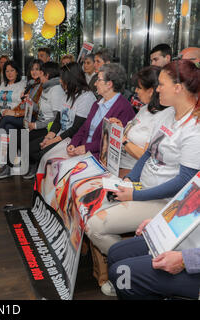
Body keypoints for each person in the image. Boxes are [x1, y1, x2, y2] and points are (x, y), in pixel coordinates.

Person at [86, 59, 200, 295]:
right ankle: (130, 267)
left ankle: (136, 270)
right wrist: (129, 182)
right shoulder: (167, 114)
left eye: (161, 84)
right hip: (142, 187)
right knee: (92, 204)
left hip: (163, 200)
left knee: (95, 227)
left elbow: (184, 185)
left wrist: (136, 194)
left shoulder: (194, 129)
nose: (157, 90)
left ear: (178, 88)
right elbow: (148, 153)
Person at [107, 218, 200, 299]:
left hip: (194, 257)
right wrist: (163, 222)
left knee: (122, 273)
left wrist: (186, 259)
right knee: (115, 253)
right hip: (191, 237)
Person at [68, 63, 136, 160]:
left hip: (101, 158)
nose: (95, 84)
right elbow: (84, 128)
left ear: (109, 84)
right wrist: (73, 143)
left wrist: (86, 148)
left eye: (99, 80)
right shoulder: (97, 104)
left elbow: (112, 141)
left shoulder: (124, 108)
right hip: (82, 152)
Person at [109, 66, 166, 178]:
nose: (135, 91)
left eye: (139, 88)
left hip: (132, 171)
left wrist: (123, 140)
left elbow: (146, 155)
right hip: (118, 165)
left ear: (150, 91)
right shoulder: (146, 108)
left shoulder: (160, 117)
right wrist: (121, 129)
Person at [35, 62, 97, 165]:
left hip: (72, 140)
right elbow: (58, 120)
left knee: (41, 154)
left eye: (62, 78)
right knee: (32, 148)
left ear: (71, 79)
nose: (60, 81)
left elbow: (75, 129)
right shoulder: (67, 94)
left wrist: (52, 141)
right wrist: (49, 137)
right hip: (60, 136)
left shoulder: (86, 98)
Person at [24, 62, 65, 180]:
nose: (38, 75)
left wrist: (36, 125)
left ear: (47, 75)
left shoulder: (56, 90)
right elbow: (41, 109)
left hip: (48, 128)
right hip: (41, 123)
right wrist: (30, 102)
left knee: (30, 147)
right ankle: (33, 166)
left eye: (40, 73)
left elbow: (56, 118)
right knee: (22, 138)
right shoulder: (46, 87)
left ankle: (38, 167)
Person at [0, 60, 26, 179]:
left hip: (16, 117)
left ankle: (5, 165)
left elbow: (24, 106)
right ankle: (6, 164)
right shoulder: (3, 84)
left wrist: (13, 113)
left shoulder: (22, 85)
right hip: (2, 117)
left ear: (17, 72)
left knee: (8, 128)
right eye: (7, 71)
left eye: (12, 70)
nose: (9, 73)